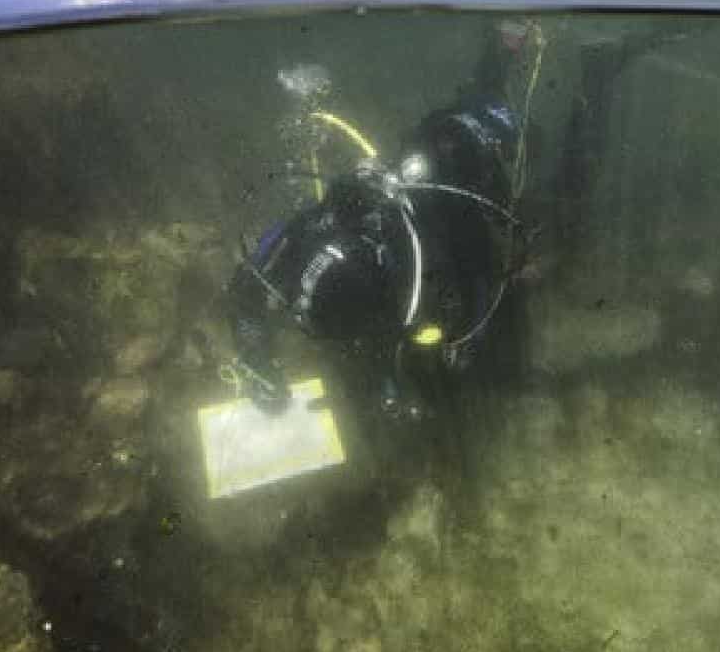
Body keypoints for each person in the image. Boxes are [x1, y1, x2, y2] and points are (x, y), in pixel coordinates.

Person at [227, 24, 538, 424]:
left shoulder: (400, 246)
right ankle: (502, 55)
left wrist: (455, 350)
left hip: (450, 165)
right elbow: (246, 289)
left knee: (482, 183)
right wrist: (255, 363)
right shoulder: (315, 230)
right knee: (467, 122)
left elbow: (475, 275)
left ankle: (502, 57)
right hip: (433, 150)